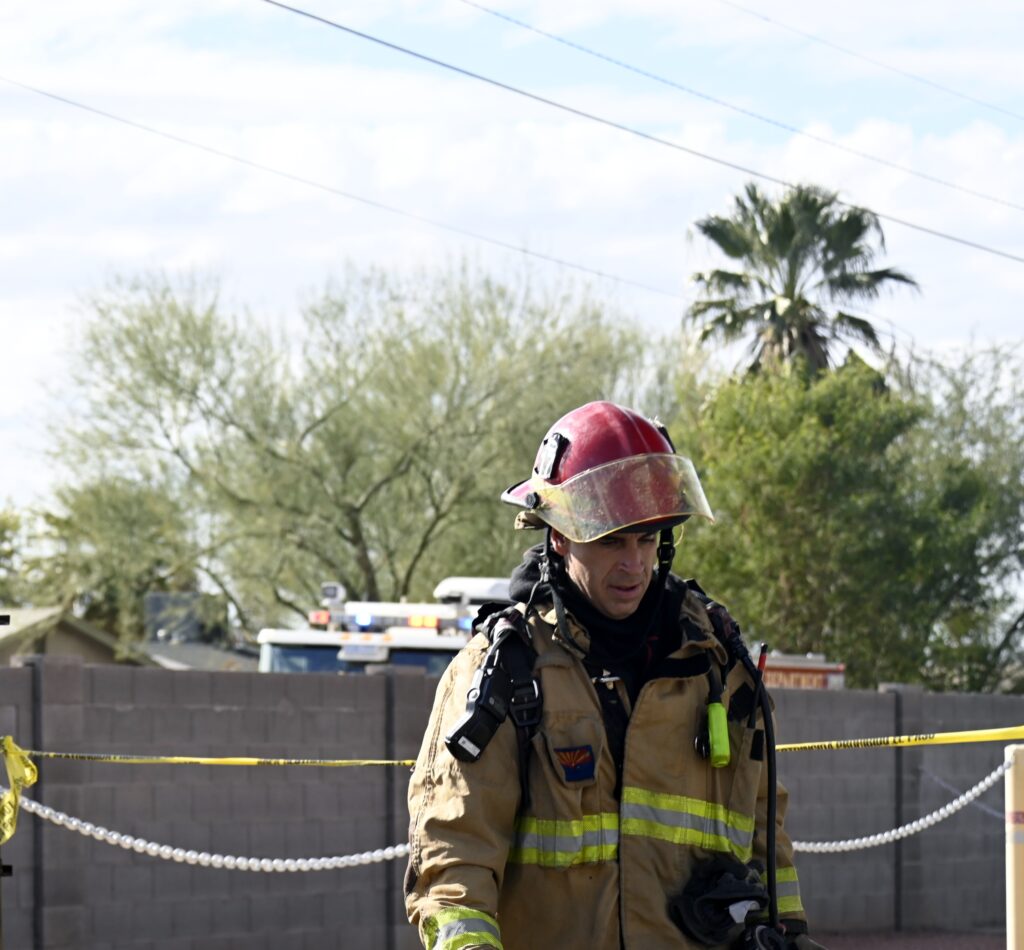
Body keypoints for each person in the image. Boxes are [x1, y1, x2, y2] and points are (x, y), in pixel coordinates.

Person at [405, 401, 824, 950]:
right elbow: (453, 864)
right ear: (559, 536)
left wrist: (790, 933)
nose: (633, 564)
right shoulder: (505, 671)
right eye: (610, 540)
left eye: (646, 539)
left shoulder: (717, 666)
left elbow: (767, 841)